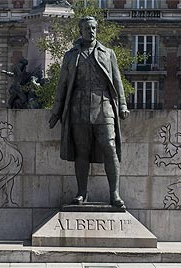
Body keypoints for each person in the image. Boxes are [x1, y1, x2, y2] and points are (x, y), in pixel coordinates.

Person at [49, 16, 130, 208]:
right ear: (81, 31)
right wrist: (56, 111)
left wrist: (123, 105)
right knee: (81, 151)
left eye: (94, 28)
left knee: (110, 147)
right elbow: (62, 84)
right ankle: (81, 193)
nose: (91, 31)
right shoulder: (71, 55)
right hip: (79, 106)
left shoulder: (108, 53)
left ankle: (115, 194)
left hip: (104, 105)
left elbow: (117, 80)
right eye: (87, 28)